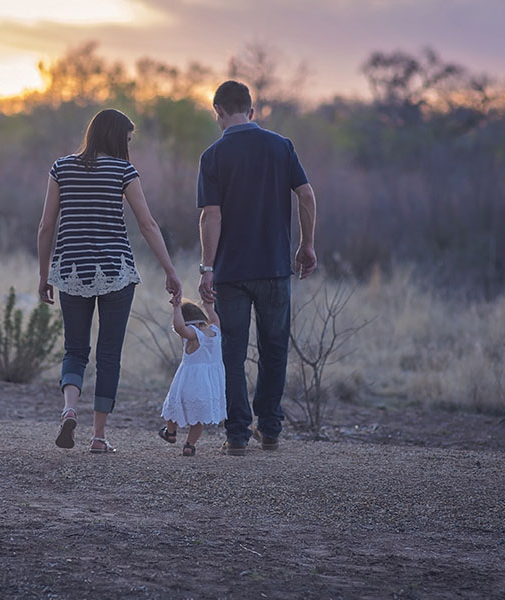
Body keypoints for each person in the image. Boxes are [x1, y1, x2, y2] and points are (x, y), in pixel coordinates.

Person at [38, 108, 182, 454]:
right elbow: (147, 225)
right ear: (117, 138)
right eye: (128, 139)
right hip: (116, 271)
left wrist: (44, 275)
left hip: (71, 270)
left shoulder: (61, 168)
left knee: (75, 349)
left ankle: (70, 408)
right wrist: (170, 270)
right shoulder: (123, 171)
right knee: (109, 355)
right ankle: (99, 436)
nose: (128, 146)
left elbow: (46, 226)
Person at [197, 80, 317, 456]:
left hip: (231, 272)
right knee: (274, 349)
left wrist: (206, 267)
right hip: (275, 267)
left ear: (217, 111)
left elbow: (210, 216)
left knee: (232, 352)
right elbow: (306, 194)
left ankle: (236, 435)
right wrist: (307, 244)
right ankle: (270, 429)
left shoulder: (213, 156)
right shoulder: (281, 146)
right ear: (252, 110)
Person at [158, 298, 226, 457]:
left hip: (189, 382)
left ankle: (171, 432)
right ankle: (189, 445)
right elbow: (215, 319)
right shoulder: (215, 331)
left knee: (173, 408)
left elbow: (181, 328)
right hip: (208, 386)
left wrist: (176, 308)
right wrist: (208, 306)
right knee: (198, 418)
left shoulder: (193, 334)